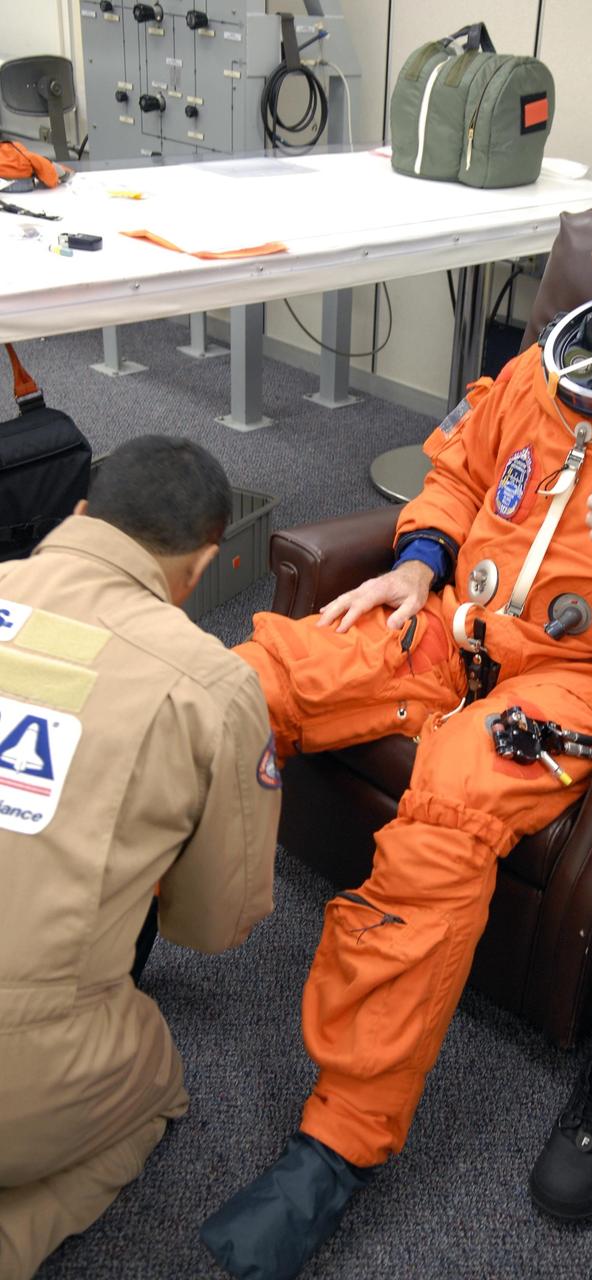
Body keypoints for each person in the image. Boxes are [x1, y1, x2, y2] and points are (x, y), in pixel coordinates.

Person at [200, 163, 592, 1278]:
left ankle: (336, 1146)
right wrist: (418, 561)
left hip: (580, 682)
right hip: (453, 624)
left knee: (444, 817)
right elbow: (452, 469)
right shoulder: (542, 374)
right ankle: (117, 917)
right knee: (239, 682)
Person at [0, 435, 281, 1280]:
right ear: (202, 566)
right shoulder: (213, 688)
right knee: (155, 1081)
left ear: (82, 514)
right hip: (24, 1071)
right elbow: (212, 925)